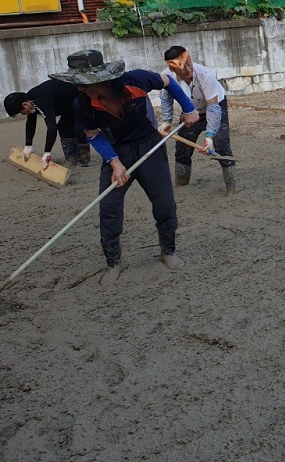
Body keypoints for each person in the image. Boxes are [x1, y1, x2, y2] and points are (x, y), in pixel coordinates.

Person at [49, 49, 199, 285]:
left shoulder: (136, 80)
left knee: (164, 203)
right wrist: (114, 162)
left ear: (102, 78)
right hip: (116, 151)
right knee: (109, 207)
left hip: (149, 146)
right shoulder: (82, 104)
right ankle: (113, 262)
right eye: (77, 83)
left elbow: (168, 82)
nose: (80, 88)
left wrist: (188, 108)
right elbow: (93, 134)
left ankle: (168, 251)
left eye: (84, 83)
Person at [159, 46, 237, 195]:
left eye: (189, 63)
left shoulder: (205, 75)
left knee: (221, 146)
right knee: (182, 147)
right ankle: (181, 185)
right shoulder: (166, 77)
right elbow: (165, 98)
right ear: (173, 69)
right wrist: (167, 121)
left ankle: (231, 187)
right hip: (190, 111)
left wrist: (209, 136)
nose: (188, 69)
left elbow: (213, 108)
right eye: (182, 66)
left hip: (214, 106)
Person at [3, 80, 91, 169]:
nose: (23, 114)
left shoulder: (42, 101)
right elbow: (31, 122)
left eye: (22, 112)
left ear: (25, 105)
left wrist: (47, 153)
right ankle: (72, 158)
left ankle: (84, 158)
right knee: (63, 128)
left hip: (79, 99)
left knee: (78, 128)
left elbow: (52, 128)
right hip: (66, 105)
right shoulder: (29, 99)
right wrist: (28, 145)